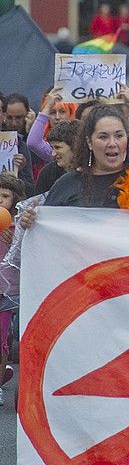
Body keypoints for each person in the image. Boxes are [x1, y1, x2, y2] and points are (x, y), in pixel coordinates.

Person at [0, 173, 24, 407]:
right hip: (2, 291)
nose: (0, 200)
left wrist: (13, 239)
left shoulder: (20, 225)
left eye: (5, 196)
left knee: (12, 340)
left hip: (15, 291)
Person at [34, 120, 79, 196]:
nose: (53, 153)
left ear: (75, 146)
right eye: (52, 148)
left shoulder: (96, 170)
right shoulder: (48, 172)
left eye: (58, 147)